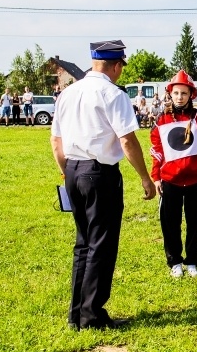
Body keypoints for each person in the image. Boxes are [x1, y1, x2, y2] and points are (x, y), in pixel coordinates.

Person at [50, 40, 156, 331]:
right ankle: (92, 314)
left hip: (72, 169)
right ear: (117, 65)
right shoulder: (113, 94)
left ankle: (76, 313)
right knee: (101, 245)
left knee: (83, 243)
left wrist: (68, 172)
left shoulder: (68, 93)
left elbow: (56, 142)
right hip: (100, 173)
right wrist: (145, 178)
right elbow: (127, 140)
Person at [150, 70, 197, 279]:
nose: (180, 97)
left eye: (184, 93)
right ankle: (175, 262)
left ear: (191, 95)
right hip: (170, 180)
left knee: (195, 223)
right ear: (171, 94)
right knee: (170, 223)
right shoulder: (162, 120)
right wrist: (156, 177)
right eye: (176, 93)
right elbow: (157, 150)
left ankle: (193, 262)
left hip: (196, 179)